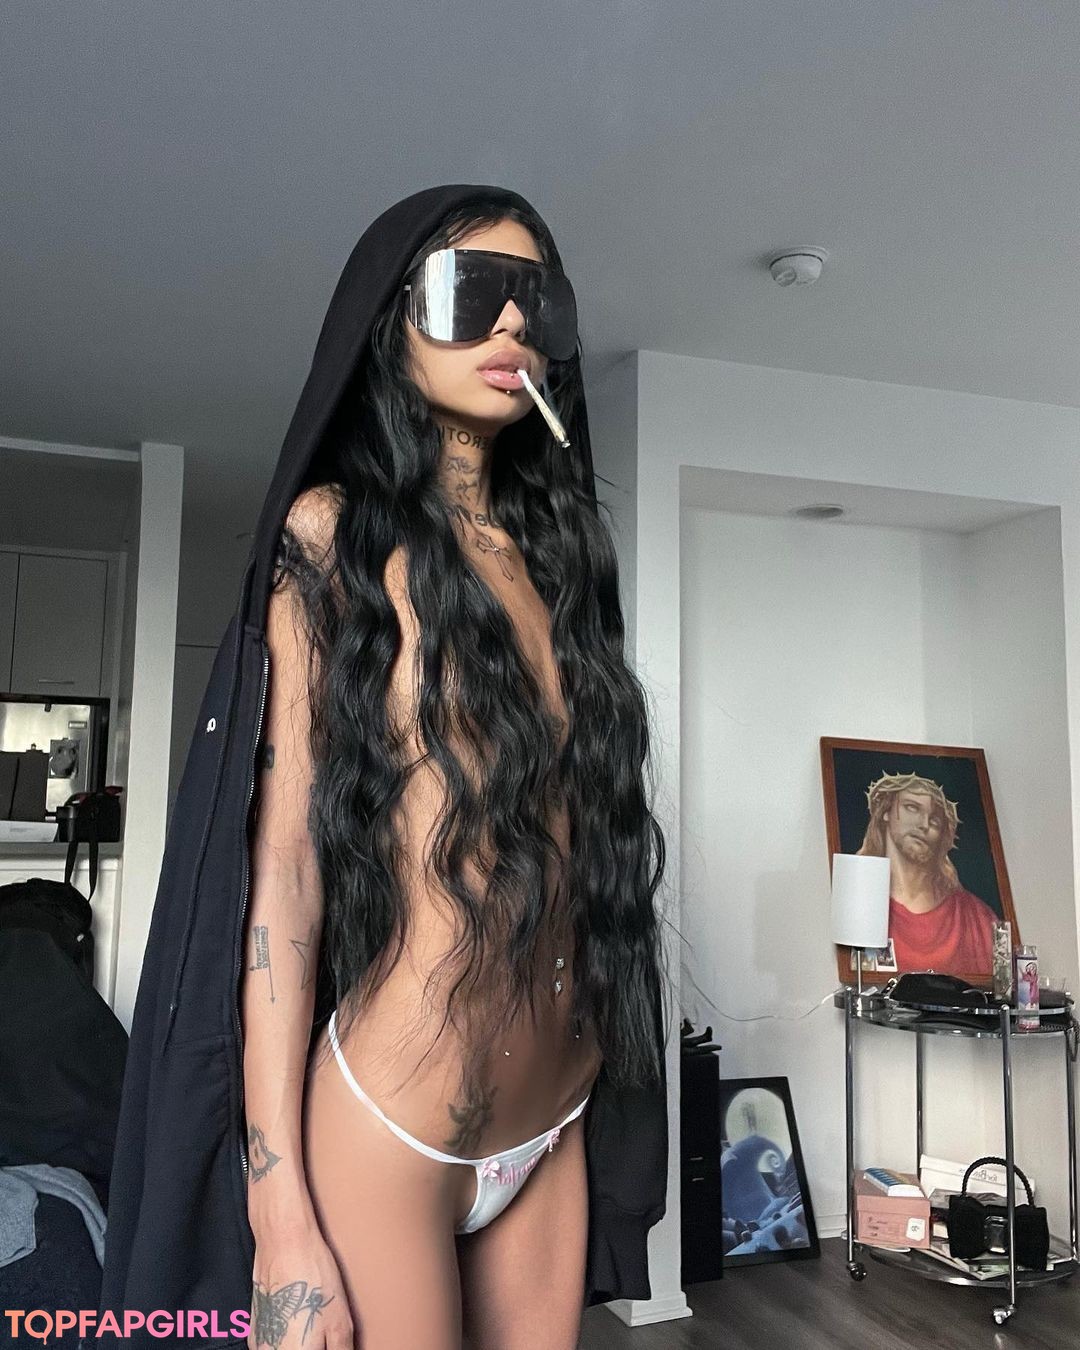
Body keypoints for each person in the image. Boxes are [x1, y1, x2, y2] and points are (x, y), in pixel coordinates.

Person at [100, 186, 672, 1350]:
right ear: (389, 319)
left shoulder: (563, 562)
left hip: (554, 1115)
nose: (511, 324)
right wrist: (279, 1220)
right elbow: (285, 881)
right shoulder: (332, 538)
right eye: (471, 291)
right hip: (395, 1126)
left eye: (539, 299)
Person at [856, 771, 996, 975]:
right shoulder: (859, 905)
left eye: (935, 820)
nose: (924, 824)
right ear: (886, 810)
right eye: (912, 807)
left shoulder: (976, 918)